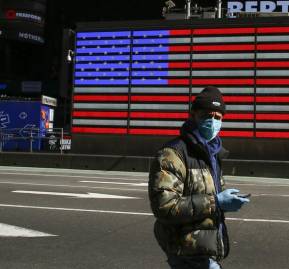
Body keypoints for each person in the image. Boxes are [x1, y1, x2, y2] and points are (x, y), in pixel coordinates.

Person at [148, 86, 250, 269]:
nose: (212, 121)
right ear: (193, 115)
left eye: (218, 117)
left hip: (204, 251)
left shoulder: (213, 154)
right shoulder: (172, 153)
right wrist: (216, 202)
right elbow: (164, 207)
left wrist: (227, 201)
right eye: (206, 115)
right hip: (185, 251)